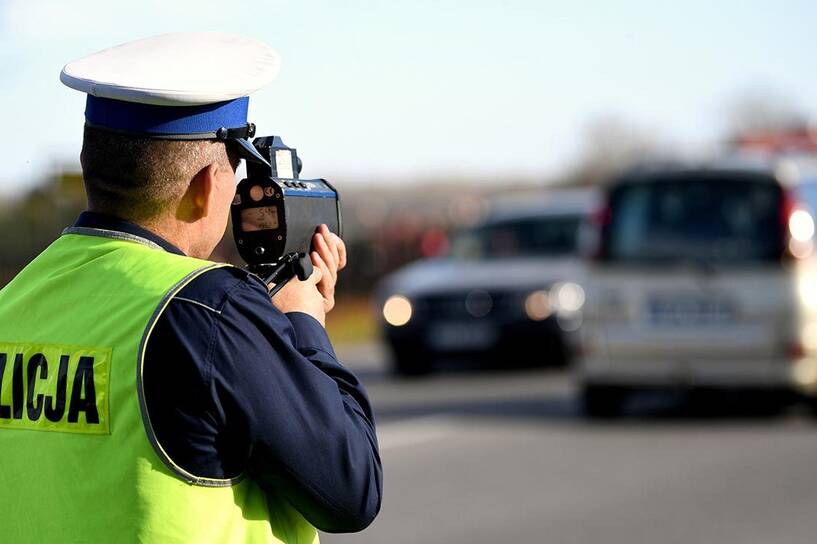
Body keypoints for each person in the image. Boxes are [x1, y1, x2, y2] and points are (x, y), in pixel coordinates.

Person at [0, 33, 381, 543]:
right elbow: (351, 490)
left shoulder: (14, 302)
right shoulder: (208, 310)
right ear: (206, 185)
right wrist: (303, 324)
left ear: (94, 165)